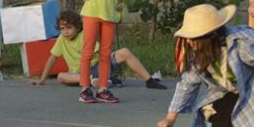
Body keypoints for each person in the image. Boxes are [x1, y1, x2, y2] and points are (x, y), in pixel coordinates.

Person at [31, 10, 167, 90]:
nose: (65, 32)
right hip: (79, 74)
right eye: (62, 28)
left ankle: (149, 80)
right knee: (61, 77)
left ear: (77, 27)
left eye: (69, 28)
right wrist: (42, 79)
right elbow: (52, 58)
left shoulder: (85, 35)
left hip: (97, 66)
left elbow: (100, 52)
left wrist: (109, 62)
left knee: (124, 52)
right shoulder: (61, 39)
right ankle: (101, 81)